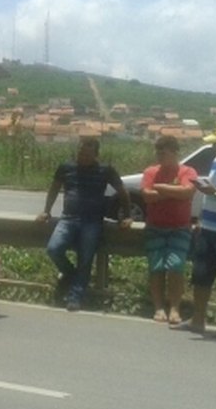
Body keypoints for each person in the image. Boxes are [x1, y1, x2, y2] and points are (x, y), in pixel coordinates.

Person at [36, 137, 132, 311]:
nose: (83, 156)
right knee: (53, 249)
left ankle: (75, 297)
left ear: (96, 155)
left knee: (85, 260)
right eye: (81, 152)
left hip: (92, 222)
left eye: (88, 154)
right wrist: (46, 211)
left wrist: (127, 215)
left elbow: (123, 192)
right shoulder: (66, 168)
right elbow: (54, 189)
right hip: (68, 218)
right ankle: (71, 274)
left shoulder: (106, 170)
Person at [174, 122, 216, 338]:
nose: (215, 147)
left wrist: (215, 192)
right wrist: (201, 220)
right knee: (201, 276)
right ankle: (198, 320)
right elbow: (209, 195)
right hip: (209, 229)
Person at [140, 135, 198, 325]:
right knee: (156, 268)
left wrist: (160, 189)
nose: (159, 156)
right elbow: (147, 196)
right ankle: (158, 308)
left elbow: (188, 192)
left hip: (179, 229)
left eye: (163, 152)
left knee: (175, 267)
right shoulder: (150, 172)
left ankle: (175, 308)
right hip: (155, 228)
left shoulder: (187, 171)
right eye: (157, 152)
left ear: (175, 152)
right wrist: (172, 190)